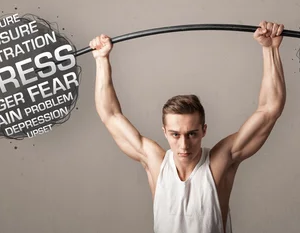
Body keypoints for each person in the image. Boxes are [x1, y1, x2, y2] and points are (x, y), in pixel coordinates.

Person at [89, 21, 286, 233]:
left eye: (192, 134)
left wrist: (270, 49)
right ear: (164, 131)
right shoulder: (156, 163)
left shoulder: (219, 162)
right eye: (175, 134)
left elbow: (269, 110)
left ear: (204, 130)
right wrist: (101, 60)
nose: (184, 145)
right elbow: (110, 115)